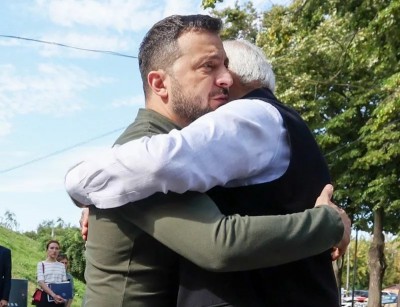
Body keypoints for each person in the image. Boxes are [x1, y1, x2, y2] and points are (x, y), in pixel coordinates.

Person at [65, 15, 350, 306]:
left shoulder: (184, 160)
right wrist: (329, 224)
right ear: (160, 84)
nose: (227, 78)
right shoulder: (143, 152)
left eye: (225, 65)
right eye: (209, 67)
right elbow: (218, 245)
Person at [36, 240, 67, 306]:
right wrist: (53, 295)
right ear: (47, 250)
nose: (54, 250)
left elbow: (64, 283)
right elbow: (41, 282)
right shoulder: (41, 264)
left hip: (59, 298)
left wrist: (62, 298)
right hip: (45, 298)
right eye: (52, 248)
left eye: (57, 248)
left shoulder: (61, 266)